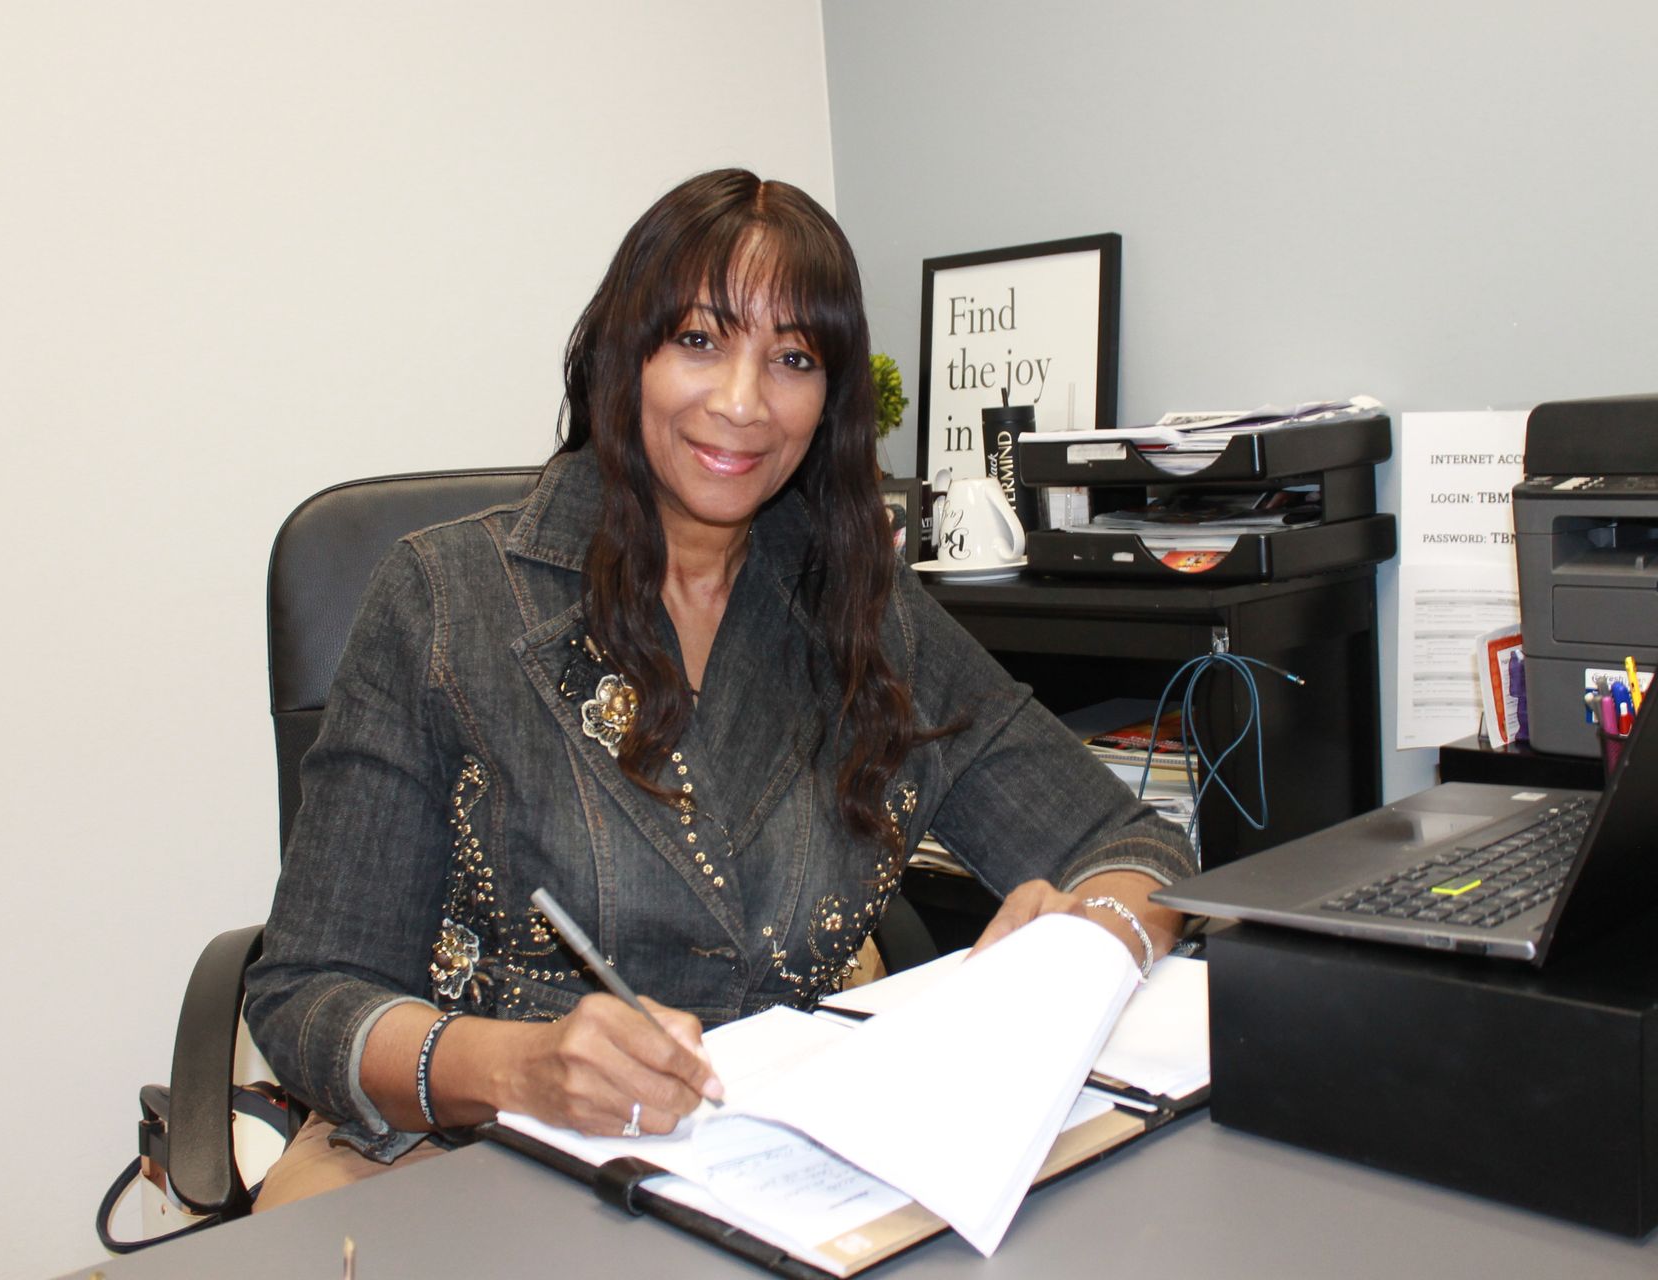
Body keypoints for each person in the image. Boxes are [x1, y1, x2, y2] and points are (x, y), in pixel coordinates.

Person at [243, 168, 1195, 1206]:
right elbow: (307, 995)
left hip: (784, 1171)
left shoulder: (860, 611)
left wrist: (1086, 945)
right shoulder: (446, 598)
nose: (743, 402)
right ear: (626, 353)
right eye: (699, 340)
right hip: (481, 1164)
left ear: (829, 397)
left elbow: (1134, 848)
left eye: (792, 358)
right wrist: (522, 1065)